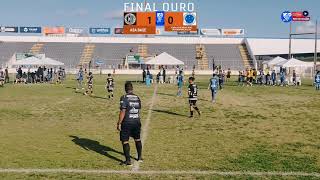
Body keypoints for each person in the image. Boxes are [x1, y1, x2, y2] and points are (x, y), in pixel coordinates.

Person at [117, 81, 143, 166]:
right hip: (136, 121)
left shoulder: (124, 98)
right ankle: (139, 157)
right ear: (132, 88)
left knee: (125, 141)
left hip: (127, 122)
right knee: (137, 139)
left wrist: (119, 123)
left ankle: (128, 161)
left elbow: (123, 111)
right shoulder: (137, 97)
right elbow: (139, 109)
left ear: (125, 89)